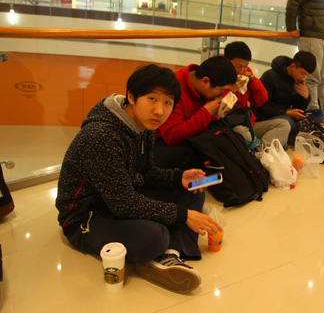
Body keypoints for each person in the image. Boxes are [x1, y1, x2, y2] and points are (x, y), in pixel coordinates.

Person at [55, 64, 223, 294]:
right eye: (152, 99)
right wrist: (182, 215)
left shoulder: (145, 125)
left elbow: (145, 173)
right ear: (132, 97)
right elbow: (122, 203)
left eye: (167, 102)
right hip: (86, 216)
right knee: (153, 235)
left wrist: (178, 178)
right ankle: (161, 248)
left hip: (119, 197)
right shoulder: (102, 135)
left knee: (194, 188)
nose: (160, 111)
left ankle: (169, 255)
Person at [155, 56, 237, 151]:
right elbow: (172, 137)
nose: (223, 94)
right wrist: (206, 113)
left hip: (198, 136)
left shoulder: (207, 78)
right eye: (222, 90)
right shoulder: (172, 90)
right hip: (166, 145)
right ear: (205, 81)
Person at [223, 41, 291, 146]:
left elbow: (262, 100)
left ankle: (260, 150)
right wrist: (231, 91)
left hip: (248, 123)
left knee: (284, 124)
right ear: (227, 61)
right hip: (229, 125)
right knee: (243, 133)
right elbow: (220, 112)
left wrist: (253, 81)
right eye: (238, 66)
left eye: (245, 66)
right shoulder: (219, 73)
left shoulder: (246, 73)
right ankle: (258, 146)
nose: (242, 70)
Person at [255, 51, 324, 145]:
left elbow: (299, 108)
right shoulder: (270, 77)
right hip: (269, 117)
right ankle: (295, 133)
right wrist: (286, 112)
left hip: (287, 114)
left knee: (319, 114)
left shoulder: (297, 80)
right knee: (287, 122)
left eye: (307, 75)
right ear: (292, 66)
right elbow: (261, 107)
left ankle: (292, 133)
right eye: (302, 73)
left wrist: (305, 98)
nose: (303, 78)